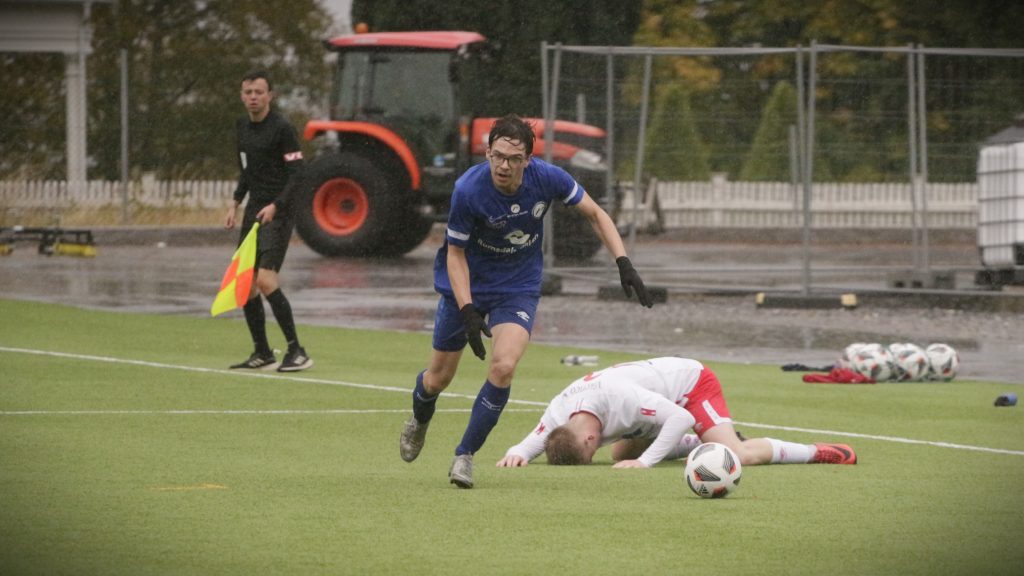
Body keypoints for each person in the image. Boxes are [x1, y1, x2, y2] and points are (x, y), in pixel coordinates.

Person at [399, 114, 654, 488]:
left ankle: (464, 455)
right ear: (488, 152)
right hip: (466, 283)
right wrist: (467, 309)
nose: (504, 166)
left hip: (516, 286)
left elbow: (596, 214)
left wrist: (624, 263)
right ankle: (420, 417)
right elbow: (455, 255)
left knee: (503, 366)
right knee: (437, 379)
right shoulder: (468, 189)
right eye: (498, 156)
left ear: (528, 160)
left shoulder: (548, 178)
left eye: (514, 159)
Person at [496, 357, 857, 468]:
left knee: (737, 455)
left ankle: (816, 452)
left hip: (691, 386)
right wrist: (515, 453)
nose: (596, 452)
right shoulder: (560, 411)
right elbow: (534, 440)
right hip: (654, 406)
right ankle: (697, 442)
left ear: (590, 438)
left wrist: (645, 463)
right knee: (620, 453)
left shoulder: (621, 398)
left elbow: (680, 417)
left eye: (592, 453)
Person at [223, 70, 312, 373]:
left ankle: (297, 351)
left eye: (259, 92)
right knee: (246, 284)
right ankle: (262, 352)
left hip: (279, 212)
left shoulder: (283, 128)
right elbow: (247, 171)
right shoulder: (242, 127)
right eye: (248, 92)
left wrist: (276, 205)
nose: (253, 97)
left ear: (270, 96)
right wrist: (235, 202)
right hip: (253, 211)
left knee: (265, 280)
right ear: (241, 95)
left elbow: (297, 174)